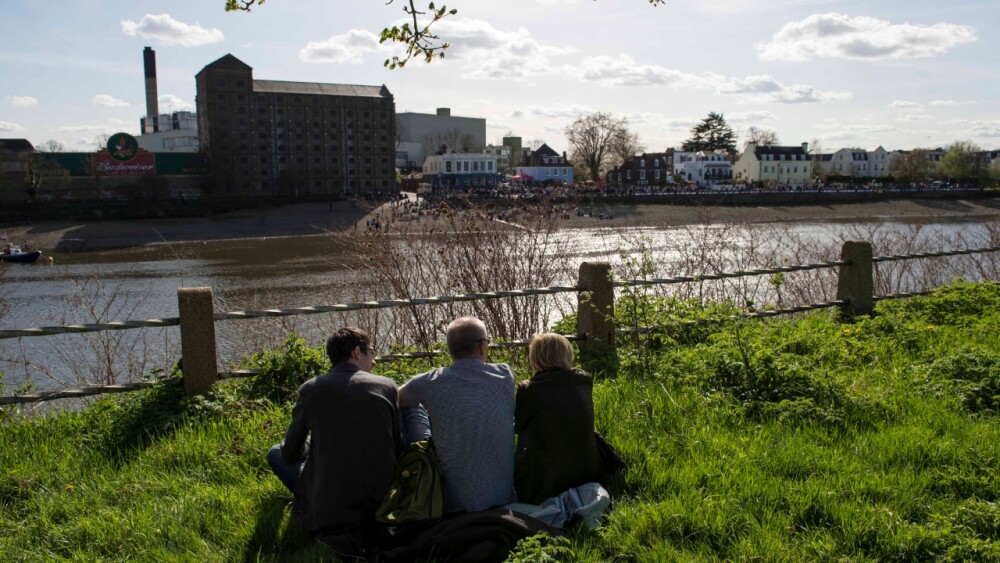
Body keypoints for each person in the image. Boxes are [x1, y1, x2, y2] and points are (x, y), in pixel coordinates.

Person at [267, 327, 402, 551]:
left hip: (328, 512)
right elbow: (397, 448)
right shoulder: (388, 387)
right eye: (371, 351)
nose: (375, 360)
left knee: (275, 452)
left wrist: (312, 446)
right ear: (357, 353)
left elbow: (290, 453)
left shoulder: (310, 389)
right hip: (380, 503)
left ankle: (310, 496)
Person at [398, 316, 516, 513]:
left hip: (455, 505)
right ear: (481, 346)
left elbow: (397, 398)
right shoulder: (505, 375)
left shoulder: (429, 382)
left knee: (412, 407)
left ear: (451, 349)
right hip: (503, 497)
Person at [514, 333, 602, 505]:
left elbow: (517, 427)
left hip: (548, 479)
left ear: (535, 358)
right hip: (587, 470)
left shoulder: (529, 390)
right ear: (566, 354)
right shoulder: (583, 380)